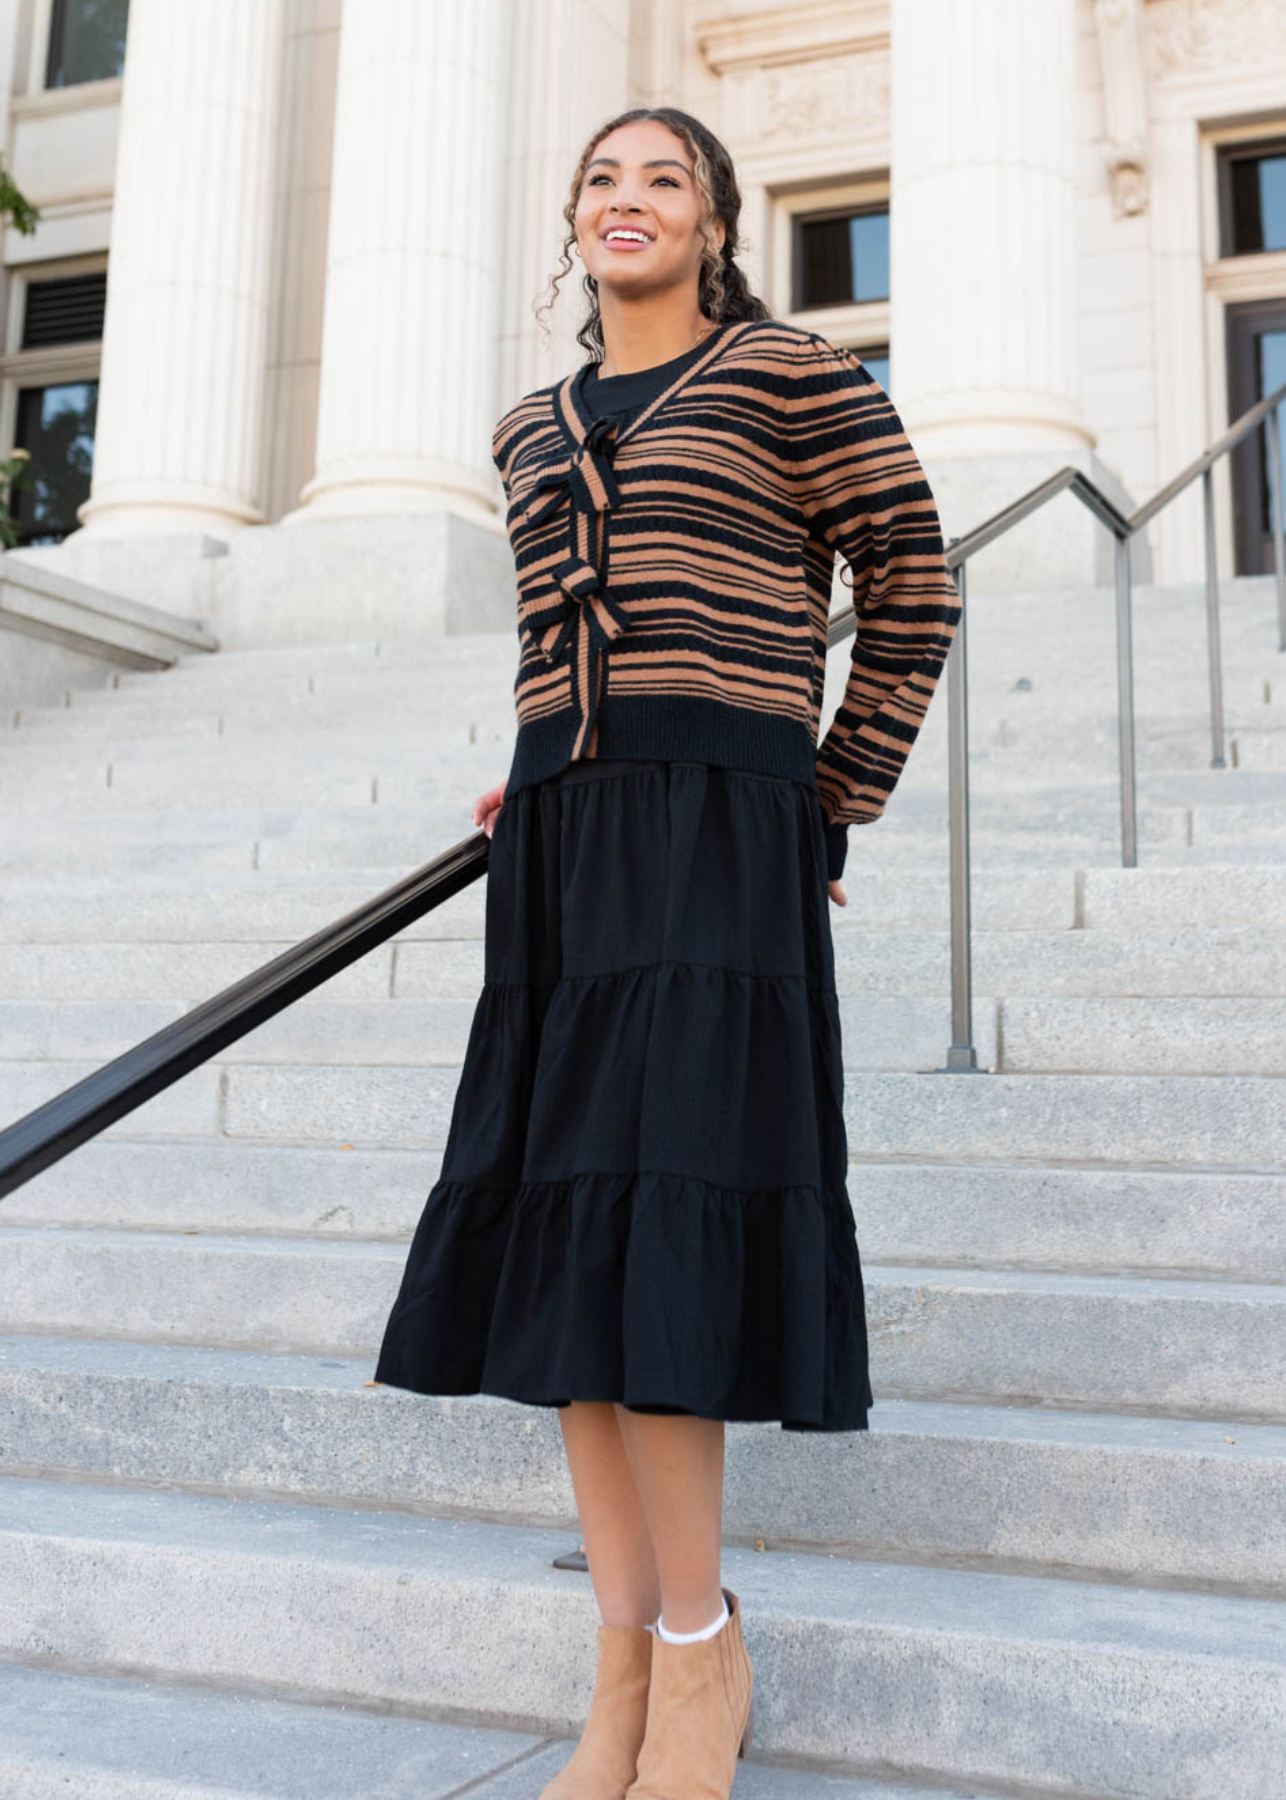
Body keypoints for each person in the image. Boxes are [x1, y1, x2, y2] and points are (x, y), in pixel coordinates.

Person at [373, 105, 961, 1799]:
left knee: (669, 1217)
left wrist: (826, 798)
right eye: (602, 182)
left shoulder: (792, 378)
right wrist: (546, 755)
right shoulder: (526, 425)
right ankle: (619, 1666)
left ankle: (701, 1655)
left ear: (712, 225)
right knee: (570, 1237)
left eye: (665, 182)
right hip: (564, 848)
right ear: (573, 224)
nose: (628, 203)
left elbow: (909, 581)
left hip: (720, 842)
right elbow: (561, 629)